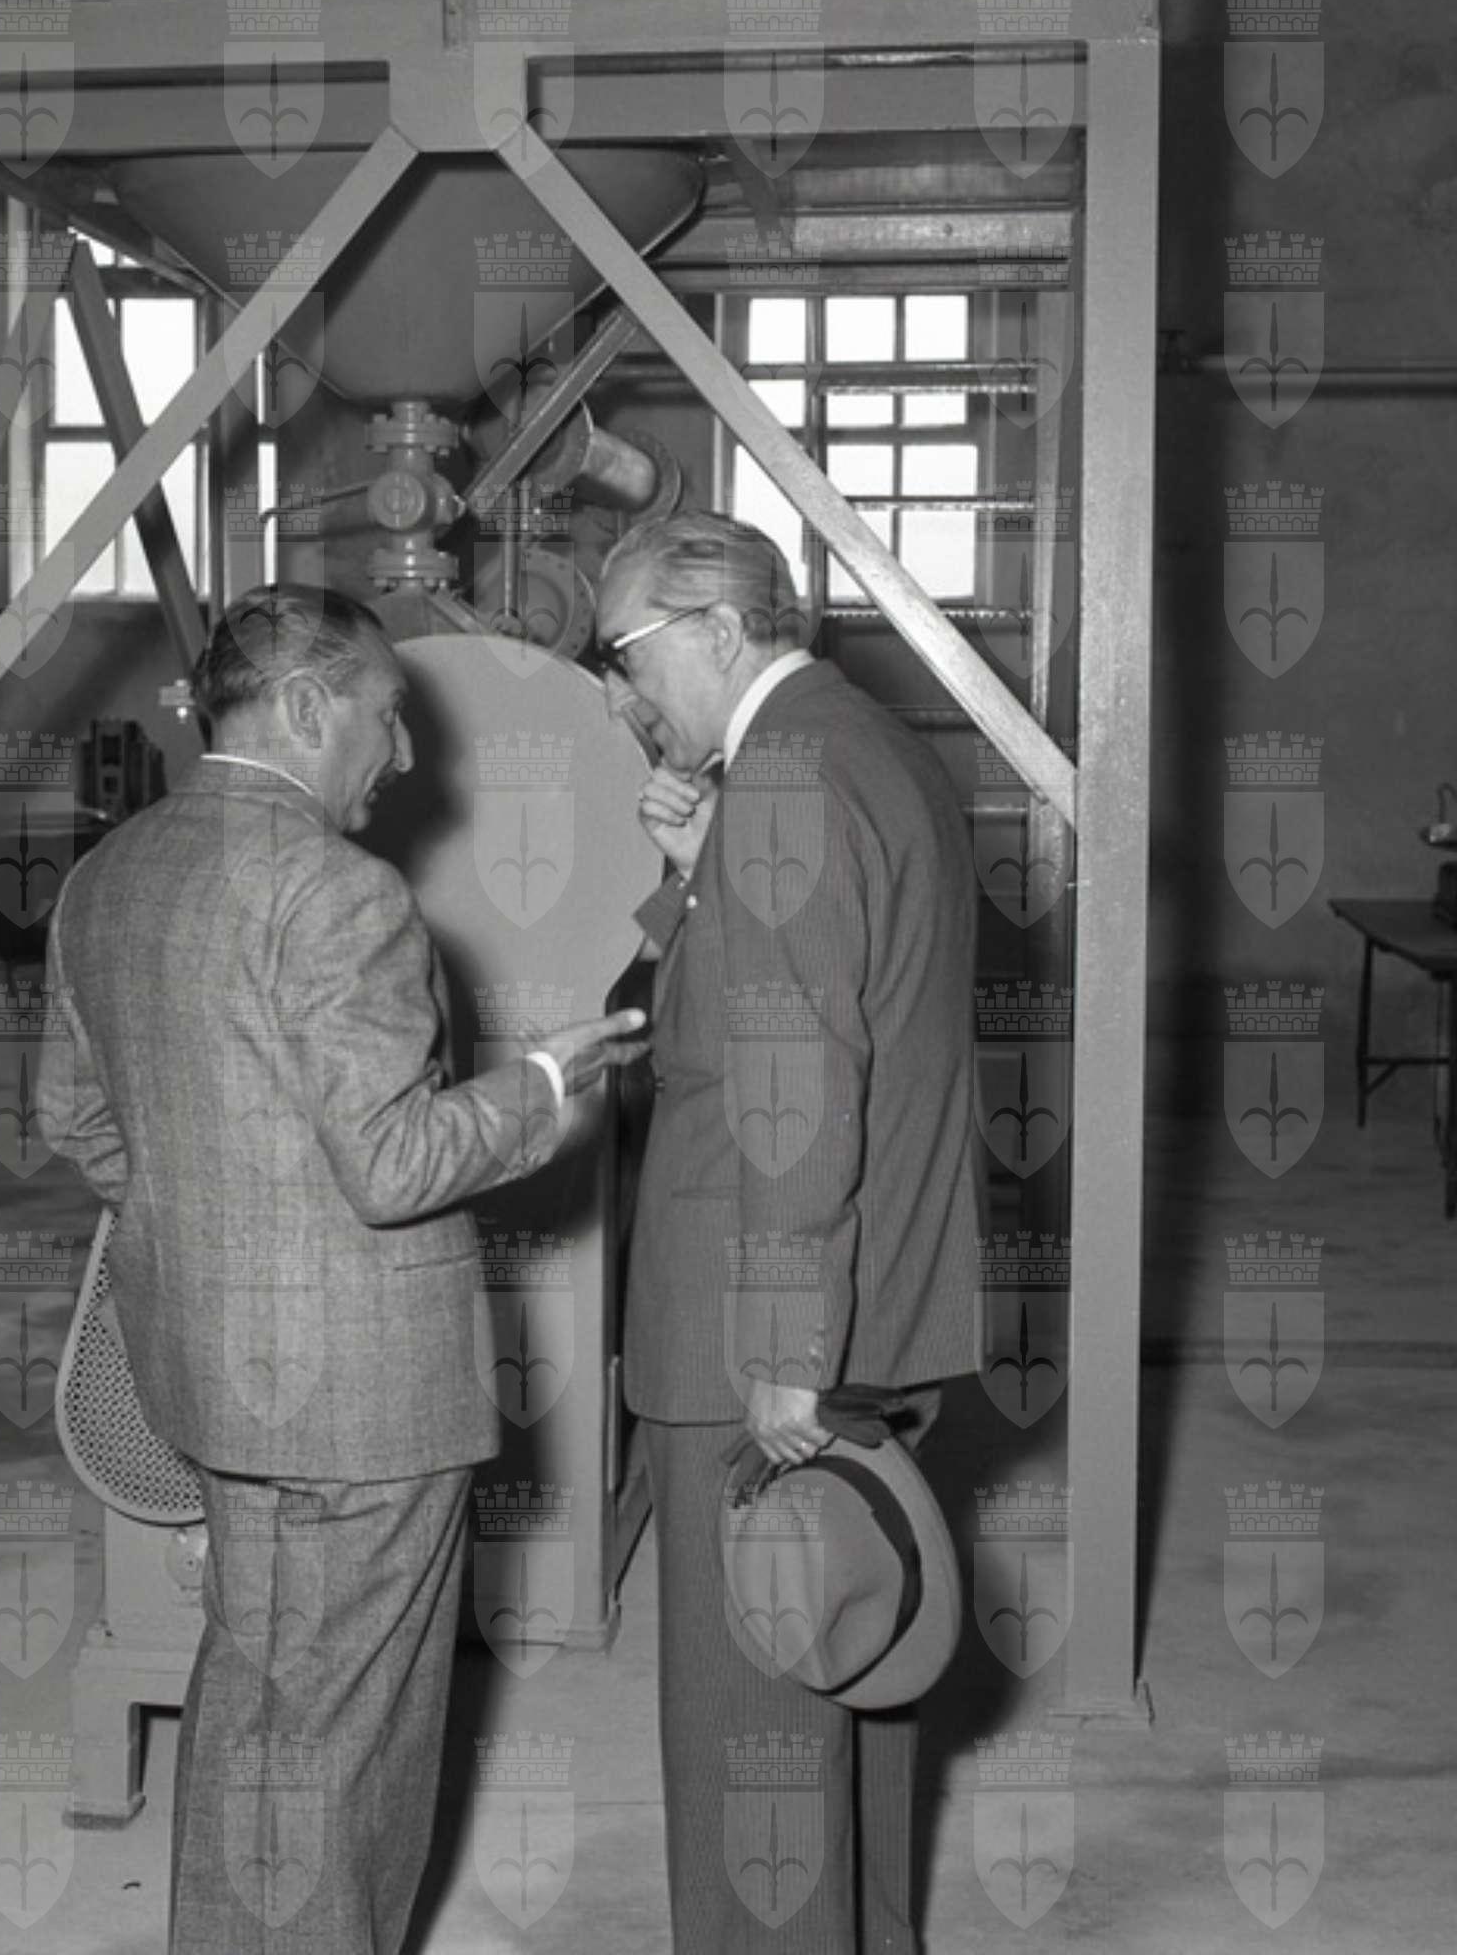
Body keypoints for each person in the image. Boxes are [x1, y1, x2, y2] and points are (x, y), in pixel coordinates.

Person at [36, 583, 646, 1954]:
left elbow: (74, 1122)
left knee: (255, 1706)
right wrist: (546, 1086)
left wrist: (220, 1245)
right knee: (347, 1757)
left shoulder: (108, 877)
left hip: (209, 1383)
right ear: (308, 707)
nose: (405, 753)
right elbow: (394, 1164)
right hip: (359, 1413)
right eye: (387, 714)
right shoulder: (340, 891)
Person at [593, 511, 981, 1953]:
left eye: (629, 655)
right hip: (879, 1283)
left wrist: (781, 1355)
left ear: (715, 628)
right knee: (846, 1651)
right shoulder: (857, 746)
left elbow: (792, 1090)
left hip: (765, 1318)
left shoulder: (781, 785)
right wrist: (702, 870)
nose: (624, 694)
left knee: (749, 1712)